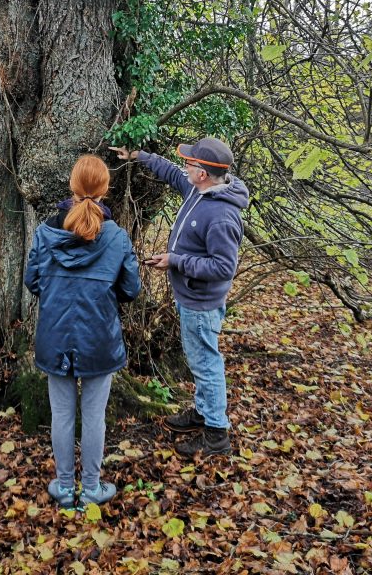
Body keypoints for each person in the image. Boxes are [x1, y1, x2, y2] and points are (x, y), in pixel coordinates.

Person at [112, 138, 248, 457]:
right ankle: (203, 413)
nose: (184, 166)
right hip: (190, 297)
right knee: (200, 362)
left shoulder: (221, 216)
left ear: (202, 173)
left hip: (201, 304)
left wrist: (176, 260)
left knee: (206, 365)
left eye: (190, 163)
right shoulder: (197, 190)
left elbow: (223, 267)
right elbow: (172, 173)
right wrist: (139, 156)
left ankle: (216, 435)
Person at [25, 155, 141, 509]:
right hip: (99, 337)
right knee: (94, 416)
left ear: (72, 186)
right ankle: (90, 488)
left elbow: (32, 281)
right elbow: (131, 289)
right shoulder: (116, 236)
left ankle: (64, 486)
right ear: (105, 189)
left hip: (54, 335)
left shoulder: (46, 232)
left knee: (61, 415)